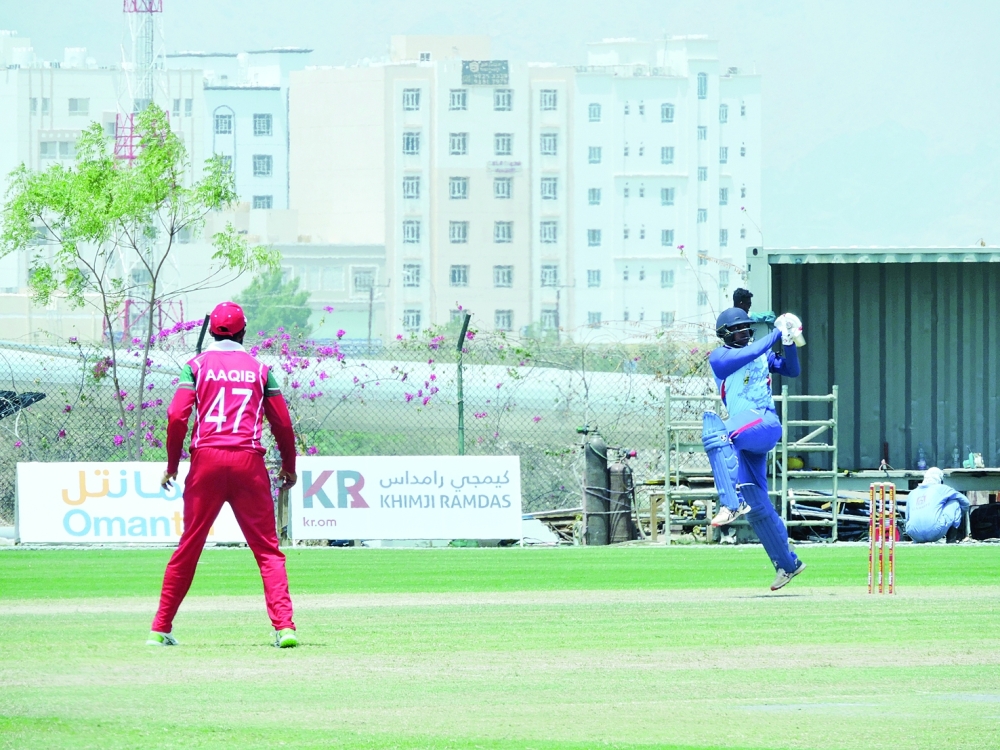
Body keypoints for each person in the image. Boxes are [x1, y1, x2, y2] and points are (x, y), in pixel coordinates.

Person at [148, 301, 300, 648]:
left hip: (207, 463)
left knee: (190, 545)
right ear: (244, 331)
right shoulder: (261, 370)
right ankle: (285, 628)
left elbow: (176, 417)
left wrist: (172, 465)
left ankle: (160, 628)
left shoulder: (196, 366)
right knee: (267, 551)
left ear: (212, 331)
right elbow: (283, 423)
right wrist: (289, 467)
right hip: (249, 462)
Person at [701, 307, 807, 590]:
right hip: (745, 439)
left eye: (747, 328)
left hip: (764, 422)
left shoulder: (760, 351)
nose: (745, 333)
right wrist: (776, 333)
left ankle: (729, 503)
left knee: (718, 431)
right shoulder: (720, 357)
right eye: (738, 329)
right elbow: (745, 356)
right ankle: (788, 564)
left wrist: (787, 341)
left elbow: (792, 369)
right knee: (758, 506)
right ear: (724, 334)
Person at [905, 467, 970, 543]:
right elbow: (965, 502)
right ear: (939, 479)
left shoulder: (912, 493)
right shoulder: (942, 488)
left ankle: (918, 541)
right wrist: (958, 515)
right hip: (934, 531)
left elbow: (907, 517)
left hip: (913, 534)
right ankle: (951, 539)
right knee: (954, 502)